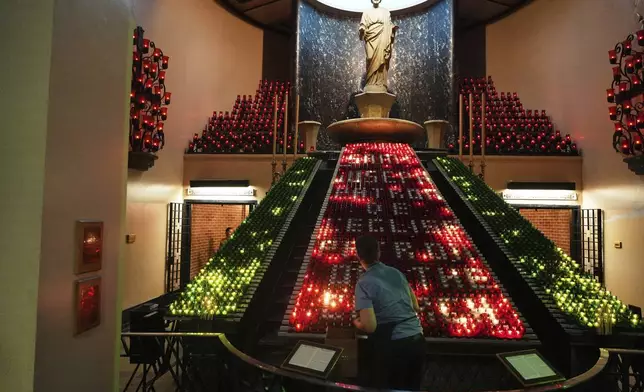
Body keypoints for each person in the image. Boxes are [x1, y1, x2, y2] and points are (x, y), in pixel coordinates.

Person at [353, 235, 425, 390]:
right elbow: (415, 306)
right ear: (379, 253)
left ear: (358, 255)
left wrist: (356, 321)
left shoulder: (363, 283)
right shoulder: (396, 273)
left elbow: (370, 326)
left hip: (395, 346)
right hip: (417, 340)